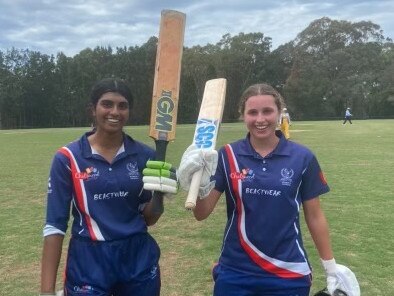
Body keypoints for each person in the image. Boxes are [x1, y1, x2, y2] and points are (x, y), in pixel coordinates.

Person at [178, 83, 359, 296]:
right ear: (242, 115)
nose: (260, 119)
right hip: (236, 271)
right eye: (252, 112)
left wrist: (330, 267)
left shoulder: (302, 157)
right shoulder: (227, 155)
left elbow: (315, 215)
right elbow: (202, 213)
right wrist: (197, 186)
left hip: (288, 272)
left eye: (267, 111)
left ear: (279, 113)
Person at [40, 78, 177, 296]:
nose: (115, 111)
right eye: (107, 104)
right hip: (89, 260)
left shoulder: (146, 156)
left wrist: (160, 195)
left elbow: (149, 218)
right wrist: (46, 291)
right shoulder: (68, 158)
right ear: (92, 110)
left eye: (122, 106)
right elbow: (55, 225)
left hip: (137, 257)